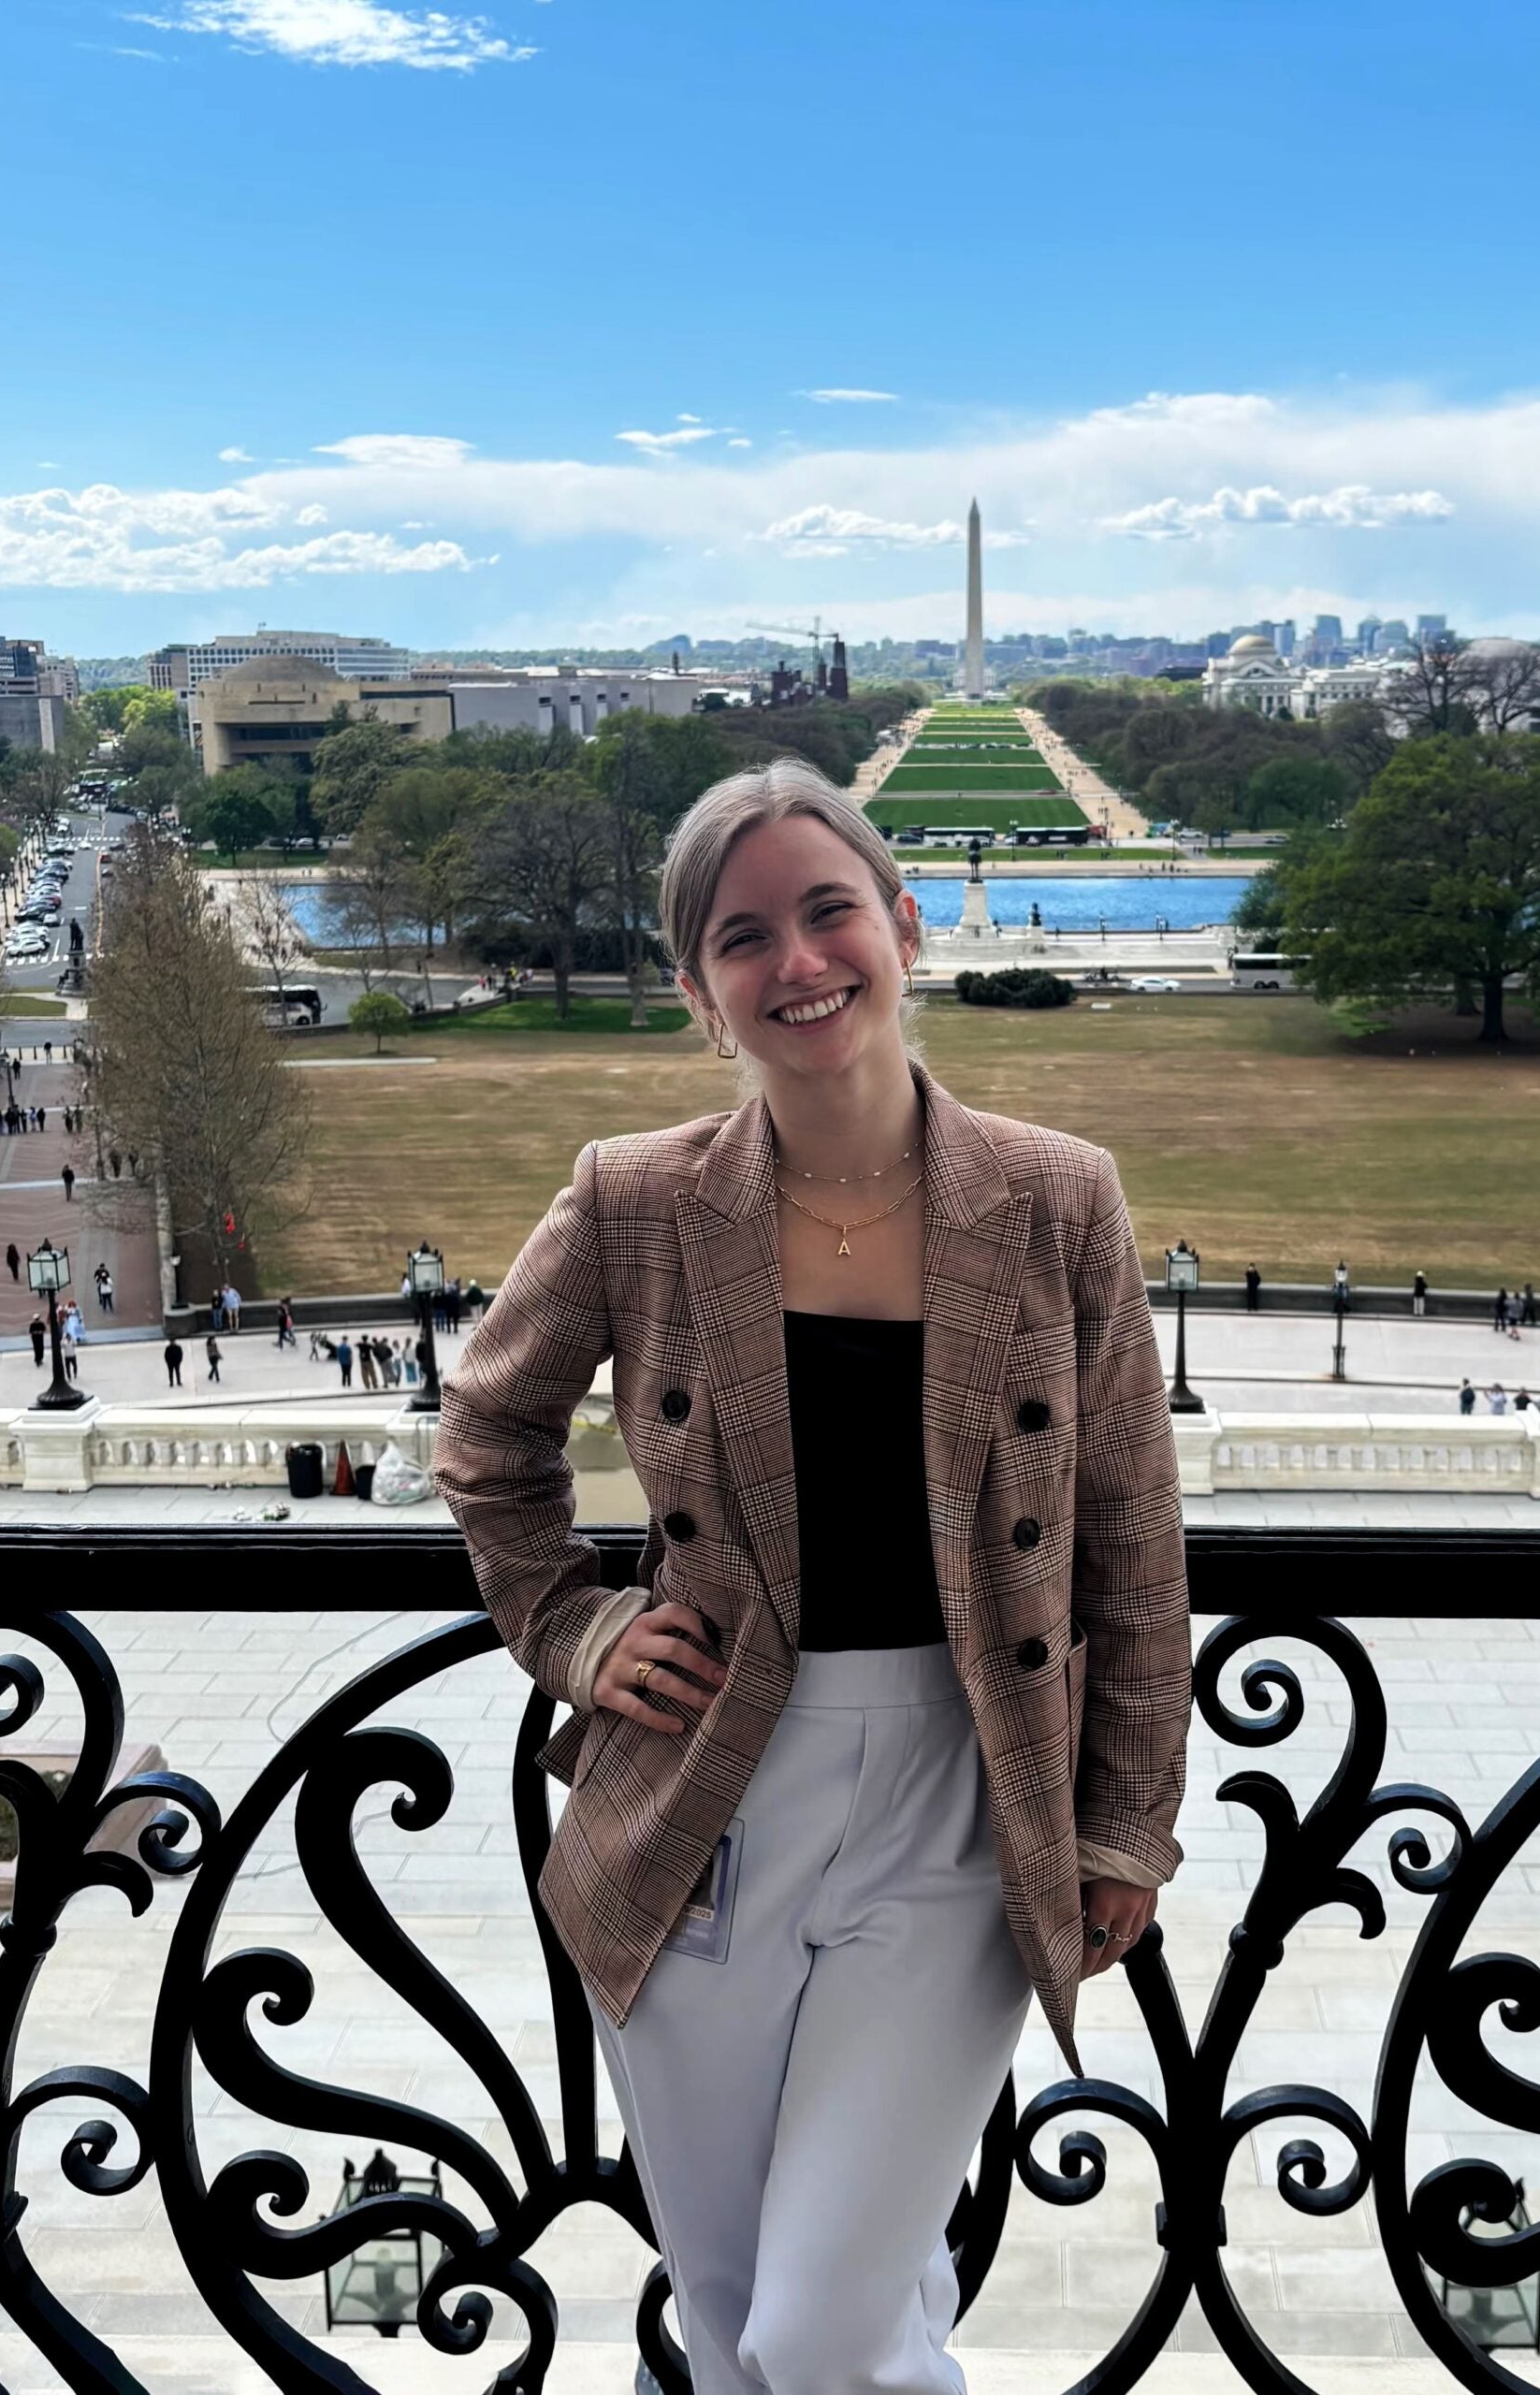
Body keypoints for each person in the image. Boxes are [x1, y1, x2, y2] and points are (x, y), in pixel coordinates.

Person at [430, 757, 1191, 2395]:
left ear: (904, 927)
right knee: (732, 2324)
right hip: (705, 1793)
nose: (799, 961)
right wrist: (571, 1629)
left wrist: (1127, 1814)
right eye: (742, 935)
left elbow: (1130, 1525)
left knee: (820, 2336)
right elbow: (488, 1430)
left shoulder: (1060, 1200)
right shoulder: (636, 1202)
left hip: (959, 1795)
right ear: (702, 994)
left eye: (829, 909)